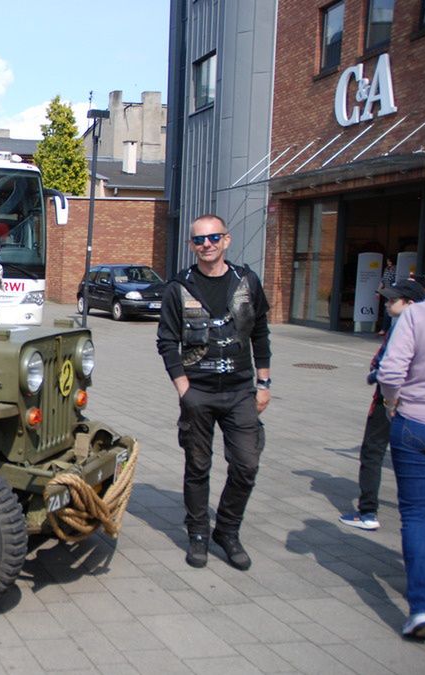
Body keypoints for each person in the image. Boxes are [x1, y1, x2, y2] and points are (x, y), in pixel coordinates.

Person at [156, 214, 271, 571]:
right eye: (199, 240)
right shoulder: (179, 287)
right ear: (191, 245)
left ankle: (227, 530)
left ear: (226, 240)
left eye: (213, 238)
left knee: (246, 464)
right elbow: (166, 341)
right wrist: (184, 389)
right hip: (199, 392)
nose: (206, 245)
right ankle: (198, 534)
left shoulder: (246, 281)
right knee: (198, 466)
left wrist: (264, 383)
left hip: (240, 391)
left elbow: (260, 333)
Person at [378, 247, 425, 641]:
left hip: (419, 423)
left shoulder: (418, 314)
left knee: (420, 515)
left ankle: (423, 606)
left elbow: (390, 372)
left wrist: (392, 402)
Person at [339, 279, 425, 531]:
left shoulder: (405, 327)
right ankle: (423, 511)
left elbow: (390, 370)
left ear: (410, 303)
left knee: (373, 451)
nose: (387, 305)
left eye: (393, 300)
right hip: (422, 403)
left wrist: (386, 395)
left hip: (393, 399)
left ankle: (367, 512)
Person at [377, 257, 398, 335]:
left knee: (388, 310)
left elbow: (385, 280)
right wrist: (378, 291)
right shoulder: (387, 269)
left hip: (392, 291)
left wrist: (378, 291)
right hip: (388, 291)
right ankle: (385, 328)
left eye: (388, 261)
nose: (387, 262)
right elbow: (383, 280)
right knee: (387, 309)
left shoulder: (395, 269)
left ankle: (385, 329)